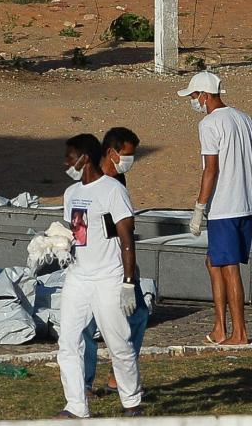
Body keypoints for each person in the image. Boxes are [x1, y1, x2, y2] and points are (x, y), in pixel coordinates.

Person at [57, 134, 142, 418]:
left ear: (85, 158)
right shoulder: (70, 194)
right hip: (77, 277)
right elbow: (76, 233)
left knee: (118, 342)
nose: (66, 162)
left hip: (108, 278)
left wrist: (128, 283)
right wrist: (54, 245)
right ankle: (76, 406)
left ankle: (131, 402)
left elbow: (126, 237)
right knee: (68, 342)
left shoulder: (112, 190)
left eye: (71, 156)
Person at [179, 71, 252, 345]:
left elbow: (211, 169)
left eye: (194, 96)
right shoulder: (244, 119)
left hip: (225, 204)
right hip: (245, 203)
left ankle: (239, 333)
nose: (193, 101)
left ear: (205, 95)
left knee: (228, 266)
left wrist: (200, 206)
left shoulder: (210, 124)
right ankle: (220, 327)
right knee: (214, 262)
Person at [83, 127, 149, 396]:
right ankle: (84, 383)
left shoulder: (118, 180)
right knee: (87, 324)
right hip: (93, 262)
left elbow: (122, 228)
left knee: (138, 315)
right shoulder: (89, 180)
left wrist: (129, 272)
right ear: (111, 153)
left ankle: (118, 375)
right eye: (127, 155)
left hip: (119, 259)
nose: (129, 161)